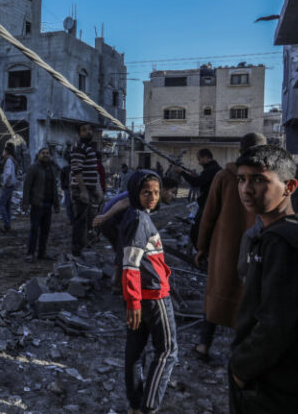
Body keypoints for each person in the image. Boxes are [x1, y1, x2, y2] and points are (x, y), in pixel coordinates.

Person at [229, 145, 298, 414]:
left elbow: (275, 324)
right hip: (295, 378)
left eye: (259, 180)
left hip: (270, 384)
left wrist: (240, 368)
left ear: (290, 186)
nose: (247, 189)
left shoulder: (281, 241)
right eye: (242, 179)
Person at [192, 132, 267, 361]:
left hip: (224, 247)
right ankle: (240, 352)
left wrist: (202, 247)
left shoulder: (225, 176)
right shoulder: (270, 178)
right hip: (257, 248)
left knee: (217, 293)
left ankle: (204, 345)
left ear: (240, 151)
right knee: (250, 297)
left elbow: (209, 215)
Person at [119, 171, 177, 414]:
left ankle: (135, 404)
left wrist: (133, 300)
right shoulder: (139, 220)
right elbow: (131, 264)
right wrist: (133, 301)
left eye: (155, 192)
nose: (152, 197)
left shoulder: (134, 216)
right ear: (135, 193)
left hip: (141, 296)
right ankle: (148, 407)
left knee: (136, 350)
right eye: (146, 193)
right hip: (153, 295)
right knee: (167, 351)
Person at [176, 149, 222, 247]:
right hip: (210, 203)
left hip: (208, 204)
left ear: (206, 157)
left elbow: (196, 182)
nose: (199, 162)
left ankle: (202, 252)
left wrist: (182, 173)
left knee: (196, 230)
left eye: (199, 159)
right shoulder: (213, 169)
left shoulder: (211, 169)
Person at [22, 148, 61, 262]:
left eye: (47, 153)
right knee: (34, 229)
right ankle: (30, 253)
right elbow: (27, 186)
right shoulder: (33, 168)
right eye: (43, 153)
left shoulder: (50, 169)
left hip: (48, 204)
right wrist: (25, 202)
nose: (45, 155)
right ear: (38, 155)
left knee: (45, 230)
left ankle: (42, 253)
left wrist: (56, 204)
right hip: (37, 204)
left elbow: (54, 188)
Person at [69, 123, 103, 256]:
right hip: (80, 190)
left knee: (89, 220)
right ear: (79, 133)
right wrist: (83, 190)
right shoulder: (79, 147)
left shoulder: (89, 148)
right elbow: (76, 170)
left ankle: (84, 248)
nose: (88, 132)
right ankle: (77, 251)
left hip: (89, 190)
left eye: (90, 129)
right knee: (80, 221)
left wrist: (96, 189)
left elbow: (93, 172)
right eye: (84, 130)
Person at [0, 143, 17, 233]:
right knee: (7, 206)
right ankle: (8, 224)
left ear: (6, 152)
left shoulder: (8, 160)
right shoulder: (11, 160)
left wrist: (3, 183)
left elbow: (8, 173)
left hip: (8, 185)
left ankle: (6, 224)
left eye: (3, 151)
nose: (2, 152)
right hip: (11, 185)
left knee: (1, 205)